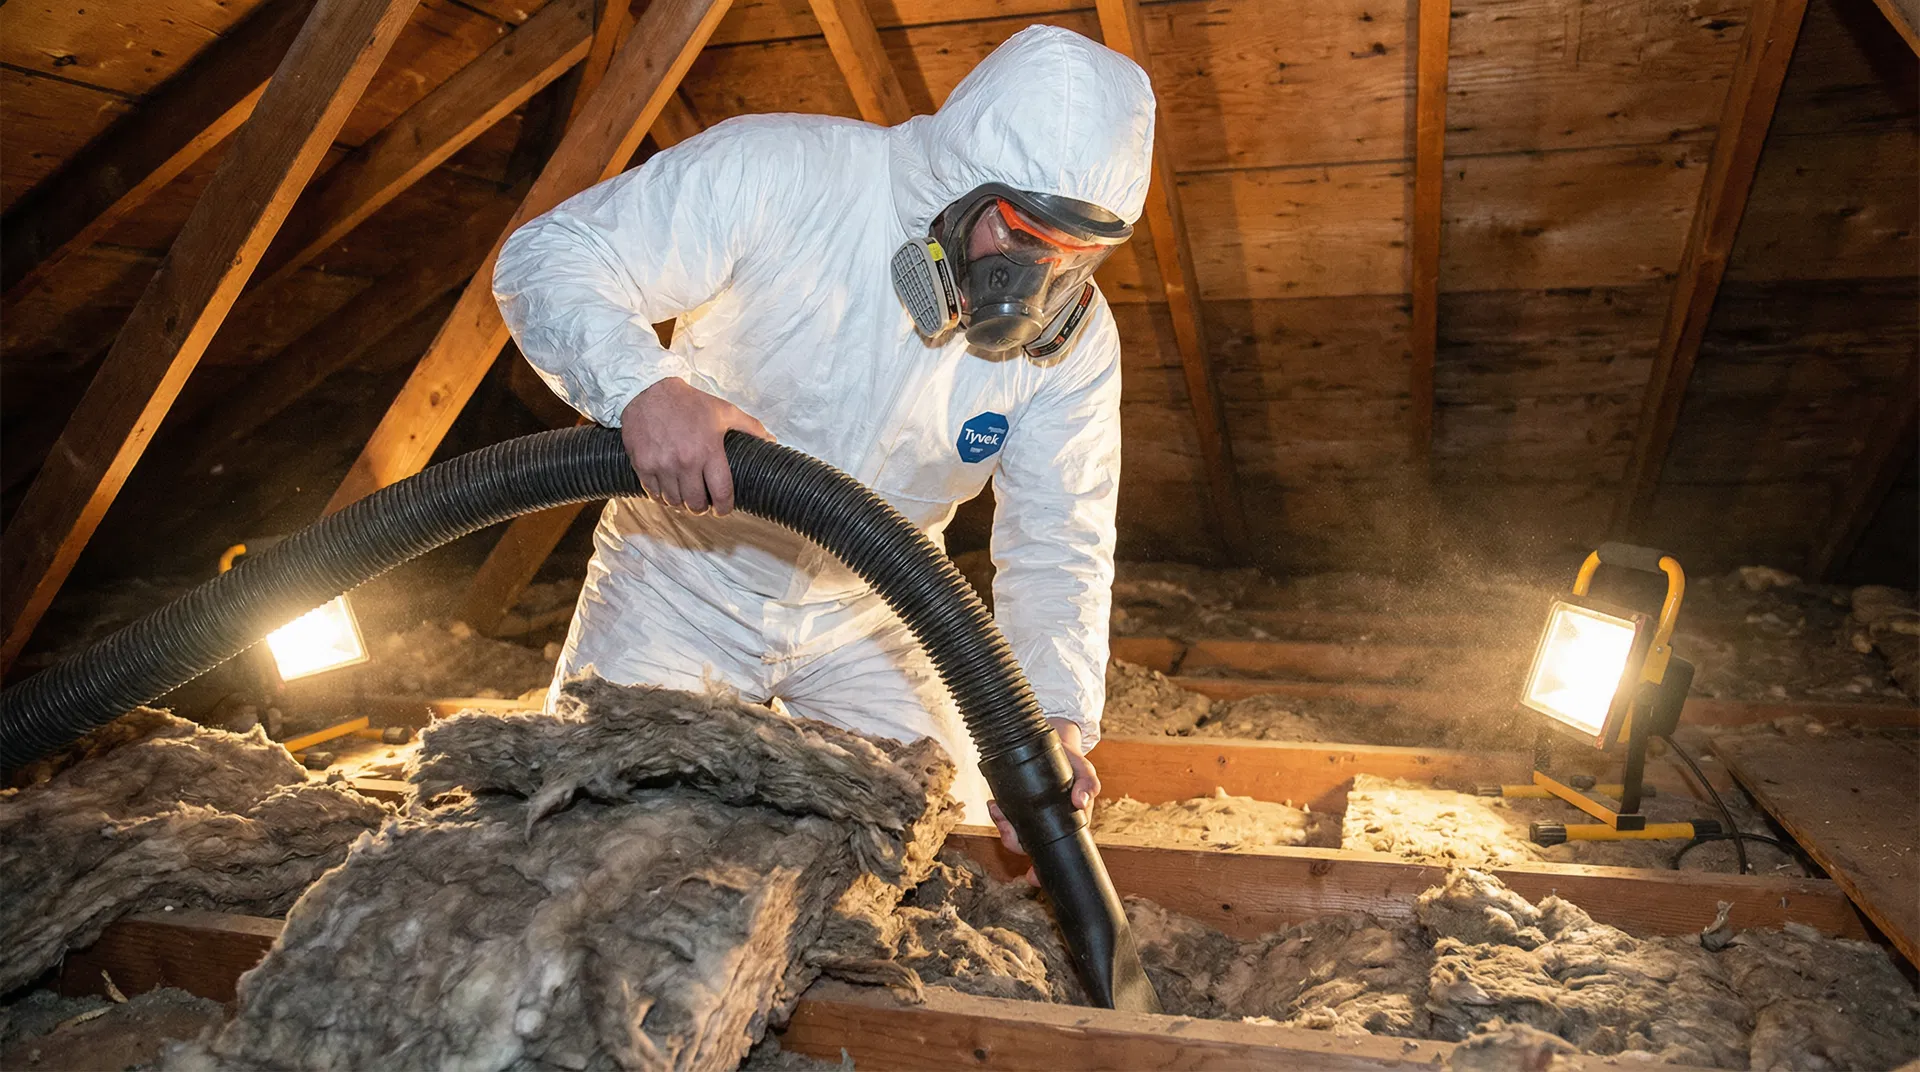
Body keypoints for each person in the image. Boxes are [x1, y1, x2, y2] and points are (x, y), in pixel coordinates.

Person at [492, 25, 1154, 844]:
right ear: (963, 187)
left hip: (874, 607)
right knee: (593, 835)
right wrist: (643, 390)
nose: (1041, 282)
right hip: (680, 582)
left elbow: (1060, 536)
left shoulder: (1077, 347)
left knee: (925, 842)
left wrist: (1052, 719)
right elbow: (553, 256)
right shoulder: (782, 174)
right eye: (1022, 238)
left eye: (1076, 255)